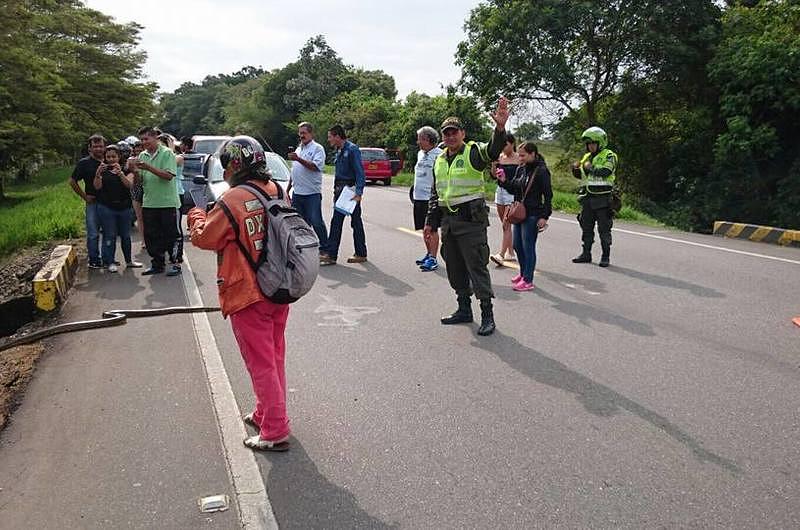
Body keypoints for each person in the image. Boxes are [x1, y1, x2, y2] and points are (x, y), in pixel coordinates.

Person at [187, 136, 291, 452]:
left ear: (233, 165)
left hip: (248, 292)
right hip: (278, 286)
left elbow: (206, 238)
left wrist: (196, 215)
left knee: (260, 362)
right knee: (273, 356)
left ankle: (274, 429)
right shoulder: (276, 189)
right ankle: (266, 412)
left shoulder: (232, 199)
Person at [423, 97, 509, 336]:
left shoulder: (473, 152)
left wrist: (499, 128)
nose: (450, 136)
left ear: (462, 133)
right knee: (455, 268)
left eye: (454, 132)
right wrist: (430, 223)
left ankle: (487, 315)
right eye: (446, 133)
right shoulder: (439, 160)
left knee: (476, 267)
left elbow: (493, 149)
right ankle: (464, 309)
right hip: (449, 222)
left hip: (471, 222)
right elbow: (435, 193)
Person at [495, 142, 552, 291]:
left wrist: (544, 216)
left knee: (528, 246)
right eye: (519, 155)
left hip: (533, 214)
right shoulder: (521, 169)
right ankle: (522, 274)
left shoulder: (541, 171)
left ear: (533, 154)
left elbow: (548, 196)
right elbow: (514, 186)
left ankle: (528, 280)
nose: (520, 158)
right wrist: (503, 181)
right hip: (519, 213)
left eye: (523, 155)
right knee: (517, 245)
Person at [130, 126, 179, 276]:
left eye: (146, 139)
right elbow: (140, 182)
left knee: (170, 235)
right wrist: (135, 172)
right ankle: (157, 264)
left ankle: (175, 264)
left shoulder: (167, 153)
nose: (144, 142)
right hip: (150, 202)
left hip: (167, 202)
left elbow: (168, 176)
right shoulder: (143, 156)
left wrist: (148, 167)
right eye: (142, 140)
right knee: (152, 235)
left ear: (155, 138)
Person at [319, 125, 367, 266]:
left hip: (349, 191)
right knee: (345, 222)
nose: (329, 140)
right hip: (340, 190)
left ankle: (335, 254)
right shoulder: (339, 150)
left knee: (349, 222)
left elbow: (360, 172)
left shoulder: (352, 149)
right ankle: (355, 253)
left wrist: (358, 193)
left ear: (337, 136)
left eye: (330, 137)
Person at [571, 126, 618, 267]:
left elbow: (606, 171)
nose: (590, 146)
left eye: (593, 143)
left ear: (600, 143)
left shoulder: (609, 155)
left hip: (603, 199)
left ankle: (605, 256)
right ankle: (586, 254)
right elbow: (582, 174)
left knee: (604, 229)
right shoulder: (586, 157)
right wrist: (575, 169)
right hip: (587, 197)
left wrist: (589, 168)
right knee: (586, 226)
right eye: (588, 144)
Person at [92, 145, 142, 271]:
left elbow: (130, 185)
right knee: (110, 235)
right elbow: (97, 187)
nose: (111, 159)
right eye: (108, 157)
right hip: (107, 207)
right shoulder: (102, 171)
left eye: (113, 156)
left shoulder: (126, 170)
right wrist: (98, 174)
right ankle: (110, 262)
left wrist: (120, 173)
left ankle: (129, 261)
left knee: (126, 235)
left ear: (119, 157)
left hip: (124, 207)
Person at [288, 122, 328, 249]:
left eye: (304, 133)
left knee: (316, 221)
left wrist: (298, 159)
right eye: (300, 133)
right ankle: (305, 247)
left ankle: (325, 248)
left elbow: (315, 167)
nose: (301, 136)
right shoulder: (299, 149)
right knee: (299, 223)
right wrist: (288, 188)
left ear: (311, 133)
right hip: (297, 193)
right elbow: (294, 171)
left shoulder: (317, 148)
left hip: (311, 193)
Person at [69, 134, 106, 268]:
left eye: (101, 146)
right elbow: (72, 181)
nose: (98, 149)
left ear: (105, 147)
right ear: (89, 148)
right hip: (93, 202)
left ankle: (108, 258)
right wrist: (84, 196)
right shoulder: (84, 163)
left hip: (109, 202)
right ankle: (94, 259)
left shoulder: (110, 160)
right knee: (93, 233)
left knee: (109, 232)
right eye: (95, 146)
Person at [412, 126, 443, 271]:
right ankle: (428, 253)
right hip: (418, 197)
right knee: (423, 229)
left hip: (430, 198)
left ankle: (433, 258)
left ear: (427, 139)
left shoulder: (439, 155)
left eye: (420, 139)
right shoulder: (420, 154)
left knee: (432, 229)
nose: (418, 142)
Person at [490, 132, 519, 267]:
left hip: (511, 192)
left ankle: (501, 255)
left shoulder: (519, 158)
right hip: (500, 191)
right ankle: (511, 252)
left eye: (505, 145)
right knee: (504, 222)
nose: (503, 148)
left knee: (506, 224)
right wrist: (494, 165)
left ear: (512, 144)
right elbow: (493, 176)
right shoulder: (500, 157)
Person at [159, 133, 184, 276]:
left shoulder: (178, 157)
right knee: (162, 228)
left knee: (175, 228)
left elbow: (170, 164)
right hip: (162, 195)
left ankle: (177, 257)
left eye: (164, 144)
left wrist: (167, 150)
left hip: (176, 193)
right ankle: (165, 256)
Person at [128, 140, 146, 247]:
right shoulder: (131, 160)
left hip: (148, 188)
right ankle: (143, 240)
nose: (138, 149)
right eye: (137, 147)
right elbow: (129, 172)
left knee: (148, 215)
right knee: (139, 216)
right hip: (136, 188)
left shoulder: (148, 158)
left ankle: (150, 238)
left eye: (141, 147)